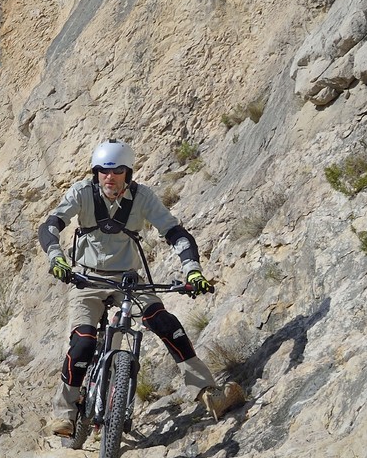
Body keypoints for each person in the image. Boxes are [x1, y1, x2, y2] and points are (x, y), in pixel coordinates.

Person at [37, 139, 244, 437]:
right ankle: (65, 414)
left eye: (117, 170)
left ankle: (208, 392)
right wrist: (56, 257)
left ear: (128, 173)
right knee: (82, 342)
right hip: (86, 280)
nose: (110, 177)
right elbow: (51, 225)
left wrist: (193, 270)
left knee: (164, 321)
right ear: (95, 172)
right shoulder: (82, 193)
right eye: (103, 171)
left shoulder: (142, 198)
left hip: (128, 279)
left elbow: (175, 233)